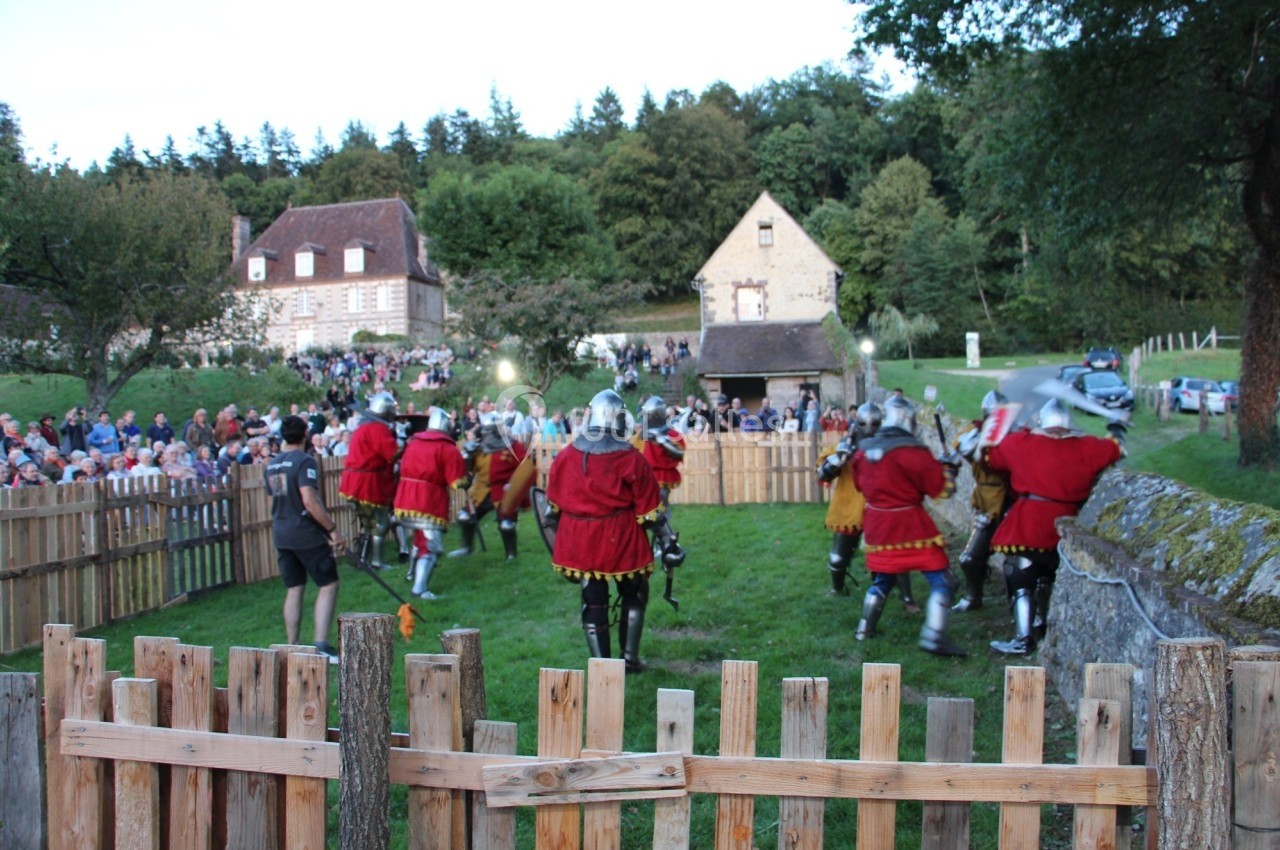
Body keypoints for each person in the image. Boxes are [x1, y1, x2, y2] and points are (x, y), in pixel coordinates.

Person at [544, 389, 682, 671]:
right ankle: (629, 660)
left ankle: (603, 668)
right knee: (634, 594)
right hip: (622, 540)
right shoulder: (630, 458)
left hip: (581, 541)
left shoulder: (566, 455)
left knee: (592, 601)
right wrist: (668, 541)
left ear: (591, 416)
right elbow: (651, 512)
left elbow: (551, 511)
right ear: (620, 418)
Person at [985, 399, 1125, 655]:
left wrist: (1017, 427)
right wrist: (1116, 427)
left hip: (1031, 520)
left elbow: (992, 457)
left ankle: (1023, 637)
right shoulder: (1089, 446)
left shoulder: (1021, 443)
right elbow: (1116, 449)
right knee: (1048, 575)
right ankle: (1041, 623)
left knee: (1020, 574)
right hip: (1067, 519)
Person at [849, 395, 967, 656]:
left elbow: (859, 486)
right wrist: (949, 469)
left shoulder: (863, 451)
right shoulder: (914, 452)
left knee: (883, 579)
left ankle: (864, 629)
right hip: (910, 527)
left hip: (877, 526)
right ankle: (934, 636)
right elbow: (941, 490)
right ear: (909, 421)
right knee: (943, 579)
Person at [266, 415, 346, 661]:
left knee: (294, 587)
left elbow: (275, 497)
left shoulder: (272, 464)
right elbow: (309, 500)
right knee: (328, 584)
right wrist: (332, 530)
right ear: (305, 436)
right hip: (305, 533)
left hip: (282, 532)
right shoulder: (304, 461)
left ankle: (293, 646)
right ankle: (321, 645)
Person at [394, 407, 467, 600]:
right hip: (428, 501)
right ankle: (420, 589)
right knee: (432, 546)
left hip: (405, 498)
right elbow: (457, 481)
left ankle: (412, 573)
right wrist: (466, 472)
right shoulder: (447, 448)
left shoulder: (413, 442)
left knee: (420, 539)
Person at [951, 391, 1015, 612]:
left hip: (1013, 502)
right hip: (987, 502)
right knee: (970, 559)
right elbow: (964, 447)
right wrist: (984, 434)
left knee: (1016, 562)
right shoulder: (976, 432)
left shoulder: (1016, 437)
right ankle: (972, 598)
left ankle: (1017, 604)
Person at [449, 412, 537, 560]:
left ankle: (511, 554)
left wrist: (514, 487)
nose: (484, 434)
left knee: (506, 524)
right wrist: (467, 457)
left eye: (487, 431)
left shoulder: (513, 446)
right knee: (464, 516)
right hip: (482, 491)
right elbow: (470, 470)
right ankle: (467, 548)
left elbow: (526, 466)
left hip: (504, 491)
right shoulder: (480, 447)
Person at [817, 402, 879, 597]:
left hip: (878, 507)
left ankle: (884, 590)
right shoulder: (844, 444)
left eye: (874, 424)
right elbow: (823, 474)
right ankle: (837, 589)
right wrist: (840, 457)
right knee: (838, 558)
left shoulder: (886, 446)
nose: (869, 429)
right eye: (865, 424)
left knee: (884, 555)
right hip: (849, 505)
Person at [338, 391, 404, 569]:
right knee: (381, 523)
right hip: (366, 482)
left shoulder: (363, 426)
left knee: (369, 524)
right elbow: (392, 453)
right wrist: (402, 439)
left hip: (353, 480)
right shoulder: (377, 428)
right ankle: (376, 562)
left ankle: (363, 560)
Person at [633, 396, 685, 513]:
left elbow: (679, 452)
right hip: (645, 476)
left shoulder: (669, 434)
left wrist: (661, 440)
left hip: (660, 477)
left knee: (659, 510)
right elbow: (632, 449)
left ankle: (664, 524)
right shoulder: (642, 434)